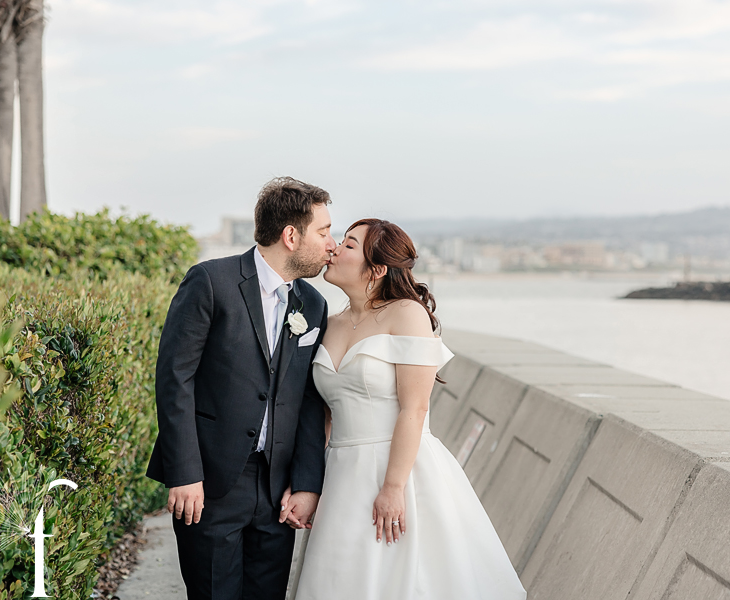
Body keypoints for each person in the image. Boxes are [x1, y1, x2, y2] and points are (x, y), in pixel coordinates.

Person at [284, 218, 527, 599]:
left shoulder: (407, 315)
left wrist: (393, 487)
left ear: (377, 269)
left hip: (398, 468)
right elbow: (324, 414)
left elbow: (414, 409)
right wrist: (308, 483)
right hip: (342, 473)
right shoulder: (328, 323)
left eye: (348, 245)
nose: (333, 249)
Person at [146, 177, 336, 599]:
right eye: (323, 232)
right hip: (210, 485)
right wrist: (185, 473)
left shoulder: (314, 304)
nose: (331, 244)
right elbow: (174, 379)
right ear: (291, 236)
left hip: (276, 491)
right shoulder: (211, 282)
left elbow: (308, 398)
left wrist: (306, 483)